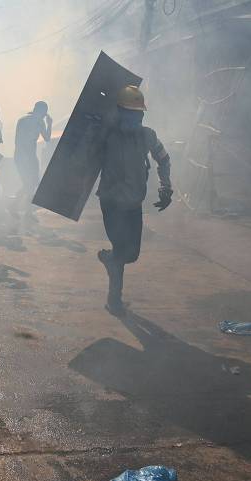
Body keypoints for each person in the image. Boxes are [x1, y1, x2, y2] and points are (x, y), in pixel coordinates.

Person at [96, 86, 173, 316]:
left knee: (132, 254)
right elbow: (83, 158)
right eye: (129, 113)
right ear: (119, 112)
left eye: (138, 114)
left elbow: (164, 159)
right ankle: (114, 300)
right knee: (121, 249)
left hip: (133, 202)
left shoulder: (148, 135)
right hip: (111, 201)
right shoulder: (106, 134)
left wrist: (166, 187)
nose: (135, 119)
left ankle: (109, 259)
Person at [13, 101, 52, 223]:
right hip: (28, 156)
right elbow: (47, 138)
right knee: (30, 184)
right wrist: (49, 124)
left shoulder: (22, 119)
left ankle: (19, 208)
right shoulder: (38, 120)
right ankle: (19, 208)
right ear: (43, 112)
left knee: (29, 184)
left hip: (21, 155)